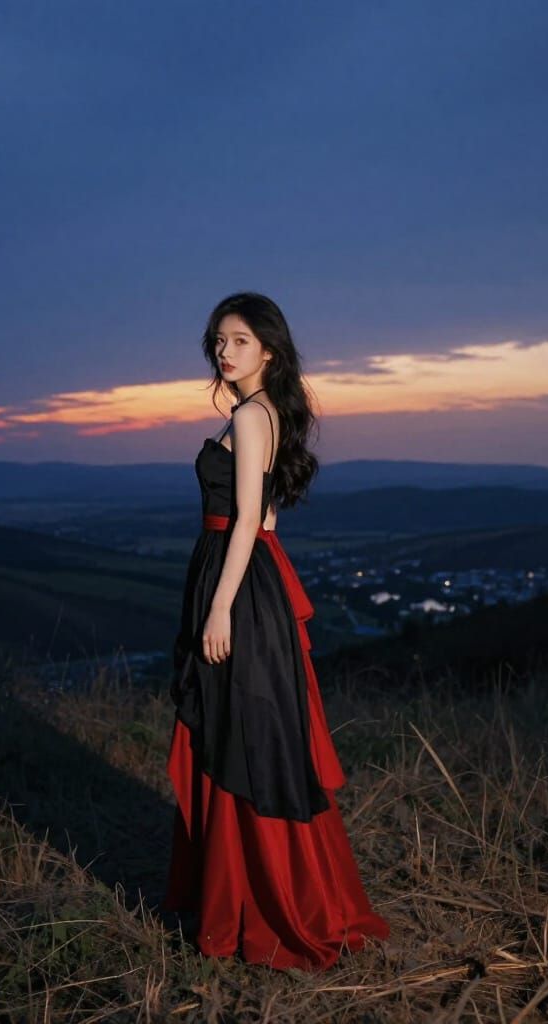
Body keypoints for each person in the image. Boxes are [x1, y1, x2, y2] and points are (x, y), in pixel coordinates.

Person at [161, 292, 390, 971]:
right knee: (241, 732)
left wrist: (223, 606)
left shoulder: (251, 415)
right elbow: (266, 524)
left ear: (268, 348)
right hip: (238, 574)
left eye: (236, 340)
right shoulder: (262, 414)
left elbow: (247, 518)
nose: (223, 351)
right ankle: (238, 895)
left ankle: (264, 905)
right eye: (218, 341)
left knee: (248, 738)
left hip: (235, 585)